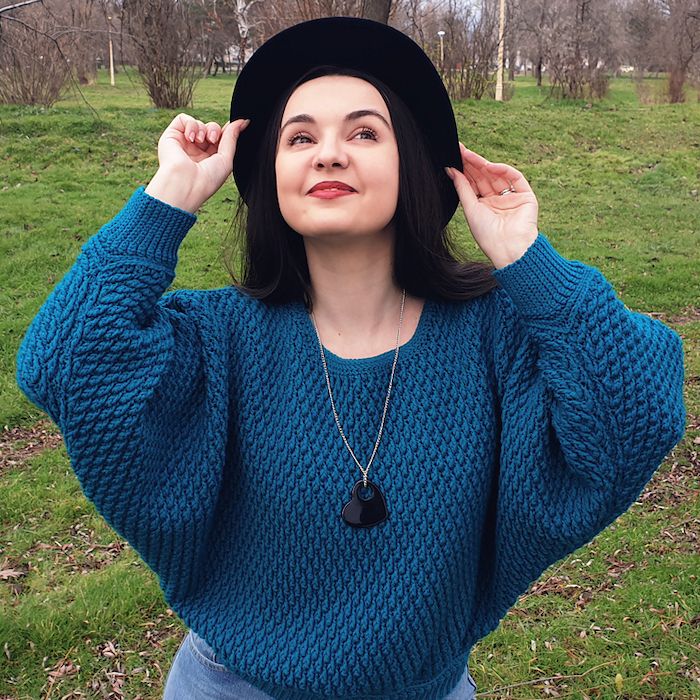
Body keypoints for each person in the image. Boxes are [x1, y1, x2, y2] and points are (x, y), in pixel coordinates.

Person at [15, 16, 686, 700]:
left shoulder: (495, 336)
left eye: (364, 132)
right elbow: (64, 364)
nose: (328, 154)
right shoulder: (218, 338)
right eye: (299, 137)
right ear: (270, 174)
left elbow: (636, 414)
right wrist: (169, 197)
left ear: (414, 166)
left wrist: (523, 257)